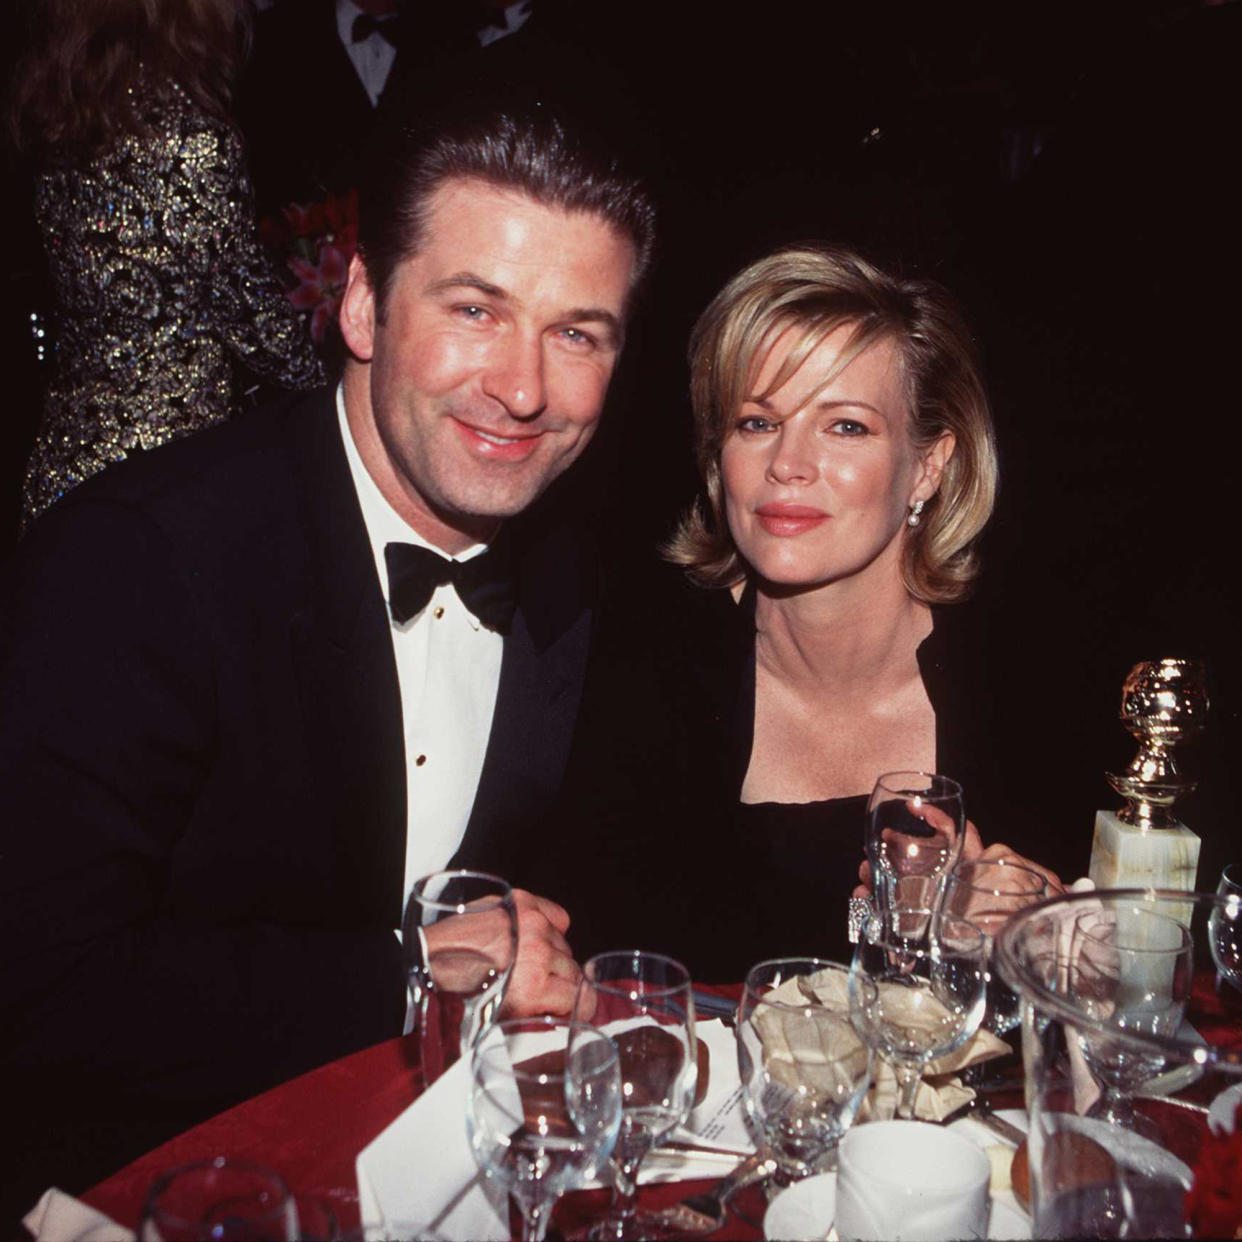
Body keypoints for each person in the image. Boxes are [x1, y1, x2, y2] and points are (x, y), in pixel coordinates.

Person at [0, 98, 654, 1212]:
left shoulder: (583, 572)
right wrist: (403, 976)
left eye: (577, 332)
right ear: (362, 304)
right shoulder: (139, 562)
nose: (526, 387)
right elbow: (42, 991)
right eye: (475, 310)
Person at [519, 242, 1068, 981]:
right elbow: (587, 965)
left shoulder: (1028, 691)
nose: (788, 464)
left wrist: (1027, 944)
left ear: (930, 464)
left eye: (846, 426)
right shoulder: (632, 663)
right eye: (756, 422)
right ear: (719, 456)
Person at [10, 0, 324, 528]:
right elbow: (253, 322)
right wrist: (337, 398)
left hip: (66, 464)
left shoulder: (67, 121)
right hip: (169, 477)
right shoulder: (190, 140)